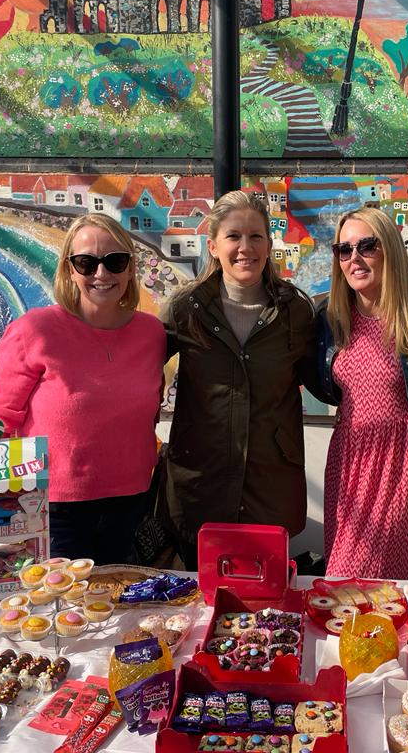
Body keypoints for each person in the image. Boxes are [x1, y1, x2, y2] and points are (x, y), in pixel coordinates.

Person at [0, 213, 165, 564]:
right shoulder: (34, 330)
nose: (102, 274)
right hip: (54, 508)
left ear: (130, 269)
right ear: (70, 270)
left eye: (115, 262)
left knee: (120, 611)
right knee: (64, 612)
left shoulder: (152, 333)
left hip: (132, 503)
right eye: (87, 263)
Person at [161, 190, 317, 569]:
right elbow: (141, 376)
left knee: (267, 605)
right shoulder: (186, 309)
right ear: (213, 246)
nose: (245, 247)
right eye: (233, 236)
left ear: (269, 243)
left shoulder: (295, 310)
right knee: (203, 600)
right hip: (202, 480)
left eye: (255, 236)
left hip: (270, 482)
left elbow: (327, 378)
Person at [316, 207, 408, 580]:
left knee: (368, 577)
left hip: (402, 463)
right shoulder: (331, 318)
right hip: (348, 460)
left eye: (366, 246)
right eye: (343, 250)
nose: (354, 258)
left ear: (389, 249)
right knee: (344, 580)